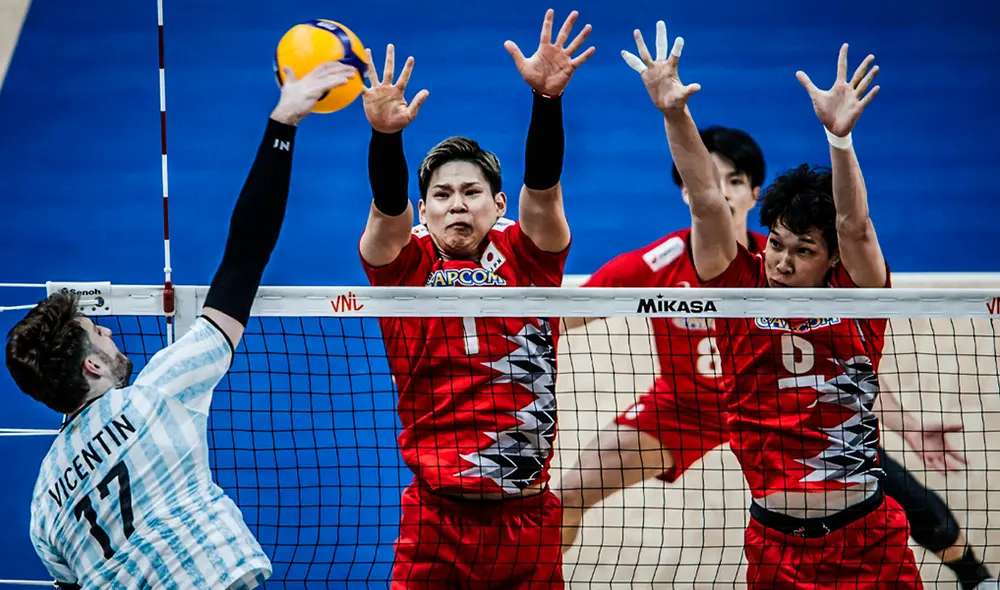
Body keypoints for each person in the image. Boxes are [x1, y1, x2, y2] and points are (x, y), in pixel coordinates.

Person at [555, 126, 996, 589]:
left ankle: (975, 576)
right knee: (570, 492)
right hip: (686, 409)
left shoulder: (804, 270)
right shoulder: (677, 264)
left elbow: (852, 361)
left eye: (734, 180)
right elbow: (566, 313)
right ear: (687, 187)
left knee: (906, 498)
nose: (723, 191)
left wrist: (907, 424)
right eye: (711, 179)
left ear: (754, 193)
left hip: (798, 412)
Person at [5, 61, 357, 590]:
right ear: (92, 366)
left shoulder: (42, 507)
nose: (109, 332)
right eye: (98, 332)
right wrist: (283, 123)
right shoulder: (157, 395)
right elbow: (244, 259)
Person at [620, 19, 919, 587]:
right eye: (777, 243)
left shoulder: (858, 299)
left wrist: (840, 140)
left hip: (868, 540)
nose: (781, 261)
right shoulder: (734, 289)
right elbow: (707, 200)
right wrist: (674, 114)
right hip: (776, 546)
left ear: (831, 260)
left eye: (803, 251)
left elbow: (854, 225)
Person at [356, 9, 593, 588]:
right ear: (425, 209)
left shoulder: (529, 256)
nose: (457, 203)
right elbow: (388, 211)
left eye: (471, 191)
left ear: (499, 203)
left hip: (527, 520)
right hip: (435, 521)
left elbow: (545, 191)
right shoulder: (403, 265)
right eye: (441, 194)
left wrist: (547, 101)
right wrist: (386, 136)